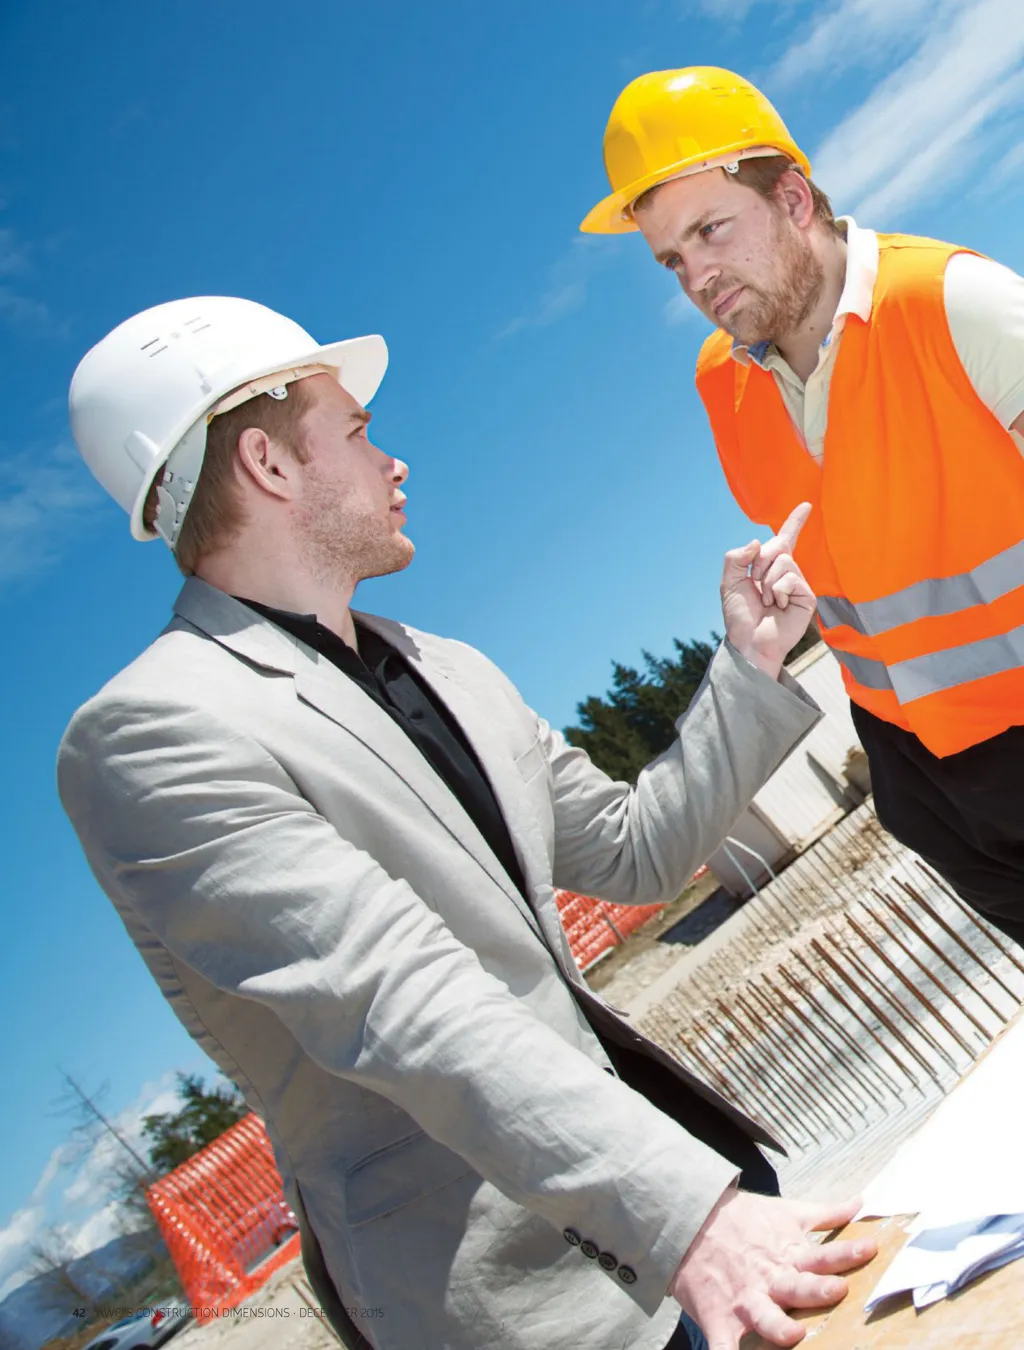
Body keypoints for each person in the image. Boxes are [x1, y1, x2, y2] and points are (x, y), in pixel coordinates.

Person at [58, 295, 874, 1350]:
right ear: (268, 465)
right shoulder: (151, 734)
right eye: (357, 432)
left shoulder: (444, 667)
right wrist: (691, 1219)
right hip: (518, 1298)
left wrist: (749, 666)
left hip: (684, 1217)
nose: (393, 461)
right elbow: (397, 1001)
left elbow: (635, 850)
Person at [581, 66, 1024, 949]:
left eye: (710, 230)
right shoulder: (723, 384)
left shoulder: (952, 301)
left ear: (790, 198)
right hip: (927, 781)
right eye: (673, 260)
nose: (698, 277)